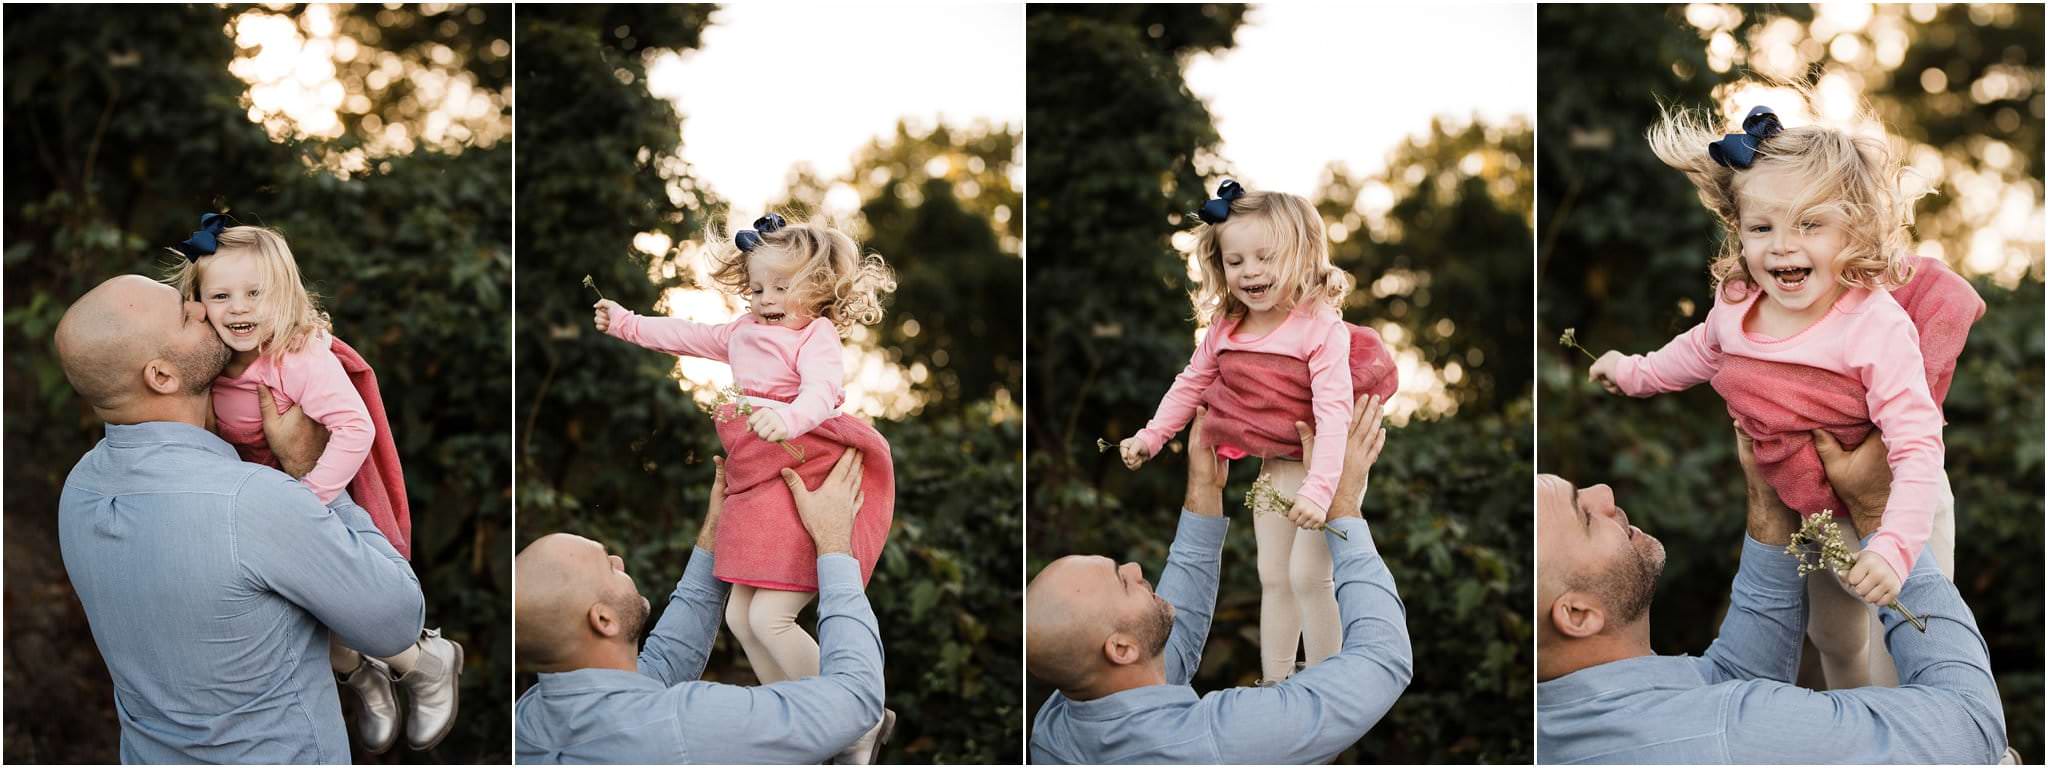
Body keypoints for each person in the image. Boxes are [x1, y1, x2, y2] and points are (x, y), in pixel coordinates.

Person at [1585, 88, 1981, 689]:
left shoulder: (1871, 323)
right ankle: (1850, 722)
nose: (1783, 245)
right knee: (1833, 637)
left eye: (1811, 224)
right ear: (1737, 231)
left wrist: (1895, 545)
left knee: (1902, 648)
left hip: (1904, 505)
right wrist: (1628, 371)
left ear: (1855, 229)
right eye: (1762, 226)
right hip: (1817, 514)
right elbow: (1692, 354)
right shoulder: (1739, 307)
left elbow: (1918, 442)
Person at [54, 274, 425, 763]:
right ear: (162, 376)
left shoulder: (79, 490)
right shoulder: (250, 501)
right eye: (187, 316)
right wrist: (313, 474)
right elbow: (396, 621)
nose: (206, 309)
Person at [1535, 426, 2007, 763]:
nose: (1603, 492)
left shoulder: (1562, 721)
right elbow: (1969, 728)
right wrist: (1882, 518)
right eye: (1583, 516)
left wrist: (1769, 499)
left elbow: (1732, 678)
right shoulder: (1728, 737)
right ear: (1577, 614)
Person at [167, 216, 462, 753]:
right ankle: (362, 677)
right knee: (292, 618)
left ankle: (423, 662)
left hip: (313, 487)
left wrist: (311, 497)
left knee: (341, 599)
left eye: (255, 293)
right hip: (253, 500)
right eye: (221, 295)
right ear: (197, 303)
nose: (238, 308)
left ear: (282, 295)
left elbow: (356, 428)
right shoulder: (209, 364)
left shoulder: (296, 357)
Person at [592, 214, 896, 716]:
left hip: (808, 457)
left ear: (820, 291)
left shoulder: (815, 335)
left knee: (774, 616)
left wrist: (790, 418)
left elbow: (821, 392)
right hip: (760, 471)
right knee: (739, 614)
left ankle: (851, 717)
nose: (765, 298)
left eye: (781, 286)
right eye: (757, 287)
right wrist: (626, 322)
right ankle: (801, 716)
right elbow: (684, 334)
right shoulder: (742, 331)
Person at [1116, 179, 1398, 683]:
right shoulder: (1225, 329)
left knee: (1309, 576)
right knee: (1272, 576)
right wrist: (1151, 436)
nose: (1250, 272)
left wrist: (1320, 490)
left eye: (1265, 257)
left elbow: (1333, 415)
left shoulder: (1320, 327)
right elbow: (1189, 386)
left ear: (1302, 256)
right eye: (1236, 261)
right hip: (1273, 469)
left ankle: (1327, 680)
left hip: (1323, 468)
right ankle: (1274, 681)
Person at [1031, 395, 1411, 763]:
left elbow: (1164, 651)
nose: (1135, 569)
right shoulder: (1218, 744)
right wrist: (1343, 505)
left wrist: (1204, 490)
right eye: (1122, 582)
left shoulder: (1055, 729)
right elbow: (1381, 659)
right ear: (1120, 649)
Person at [514, 451, 889, 764]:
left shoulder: (530, 719)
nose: (618, 561)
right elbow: (856, 701)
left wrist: (717, 531)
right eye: (605, 565)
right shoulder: (684, 723)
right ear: (603, 619)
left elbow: (663, 663)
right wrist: (835, 543)